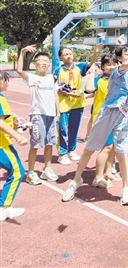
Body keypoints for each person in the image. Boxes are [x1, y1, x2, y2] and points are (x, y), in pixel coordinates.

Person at [62, 45, 128, 205]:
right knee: (89, 149)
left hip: (123, 116)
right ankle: (75, 181)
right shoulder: (117, 71)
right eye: (127, 53)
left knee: (121, 153)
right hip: (107, 113)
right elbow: (126, 67)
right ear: (119, 59)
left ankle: (126, 189)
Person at [16, 46, 60, 185]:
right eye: (40, 60)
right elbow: (19, 70)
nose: (44, 63)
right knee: (35, 144)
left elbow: (55, 96)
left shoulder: (52, 78)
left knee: (50, 143)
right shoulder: (31, 77)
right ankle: (31, 172)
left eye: (46, 61)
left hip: (51, 116)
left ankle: (47, 169)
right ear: (35, 64)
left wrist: (58, 112)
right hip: (37, 115)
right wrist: (23, 52)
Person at [54, 44, 102, 165]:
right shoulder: (58, 70)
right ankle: (62, 153)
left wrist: (95, 53)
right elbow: (56, 88)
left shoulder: (79, 67)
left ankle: (71, 150)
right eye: (65, 54)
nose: (68, 56)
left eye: (70, 53)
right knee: (63, 129)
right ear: (60, 57)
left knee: (74, 129)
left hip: (78, 103)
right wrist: (68, 94)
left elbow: (90, 64)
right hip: (64, 103)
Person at [84, 53, 119, 188]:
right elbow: (89, 89)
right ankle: (98, 177)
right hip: (102, 118)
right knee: (106, 147)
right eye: (108, 64)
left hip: (115, 117)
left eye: (113, 64)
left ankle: (108, 172)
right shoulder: (99, 80)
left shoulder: (118, 79)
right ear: (103, 67)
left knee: (113, 147)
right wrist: (92, 72)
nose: (111, 67)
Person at [0, 71, 28, 221]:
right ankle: (4, 207)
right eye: (4, 80)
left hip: (4, 141)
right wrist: (18, 136)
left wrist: (15, 120)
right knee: (17, 172)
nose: (7, 83)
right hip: (2, 145)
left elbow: (5, 116)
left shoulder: (2, 98)